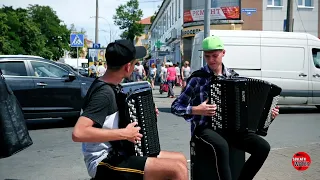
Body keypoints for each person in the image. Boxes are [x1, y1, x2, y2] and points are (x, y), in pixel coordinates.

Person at [72, 39, 188, 180]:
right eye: (134, 63)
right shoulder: (103, 94)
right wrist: (125, 134)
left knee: (180, 159)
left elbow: (117, 118)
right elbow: (79, 132)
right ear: (128, 67)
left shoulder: (114, 86)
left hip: (120, 151)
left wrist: (146, 114)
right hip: (103, 161)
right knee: (175, 170)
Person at [171, 36, 280, 180]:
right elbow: (176, 107)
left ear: (223, 53)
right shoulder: (197, 78)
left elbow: (247, 112)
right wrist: (197, 110)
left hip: (232, 129)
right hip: (204, 129)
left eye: (215, 56)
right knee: (222, 146)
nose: (211, 60)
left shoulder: (234, 77)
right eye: (207, 56)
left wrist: (268, 116)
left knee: (263, 148)